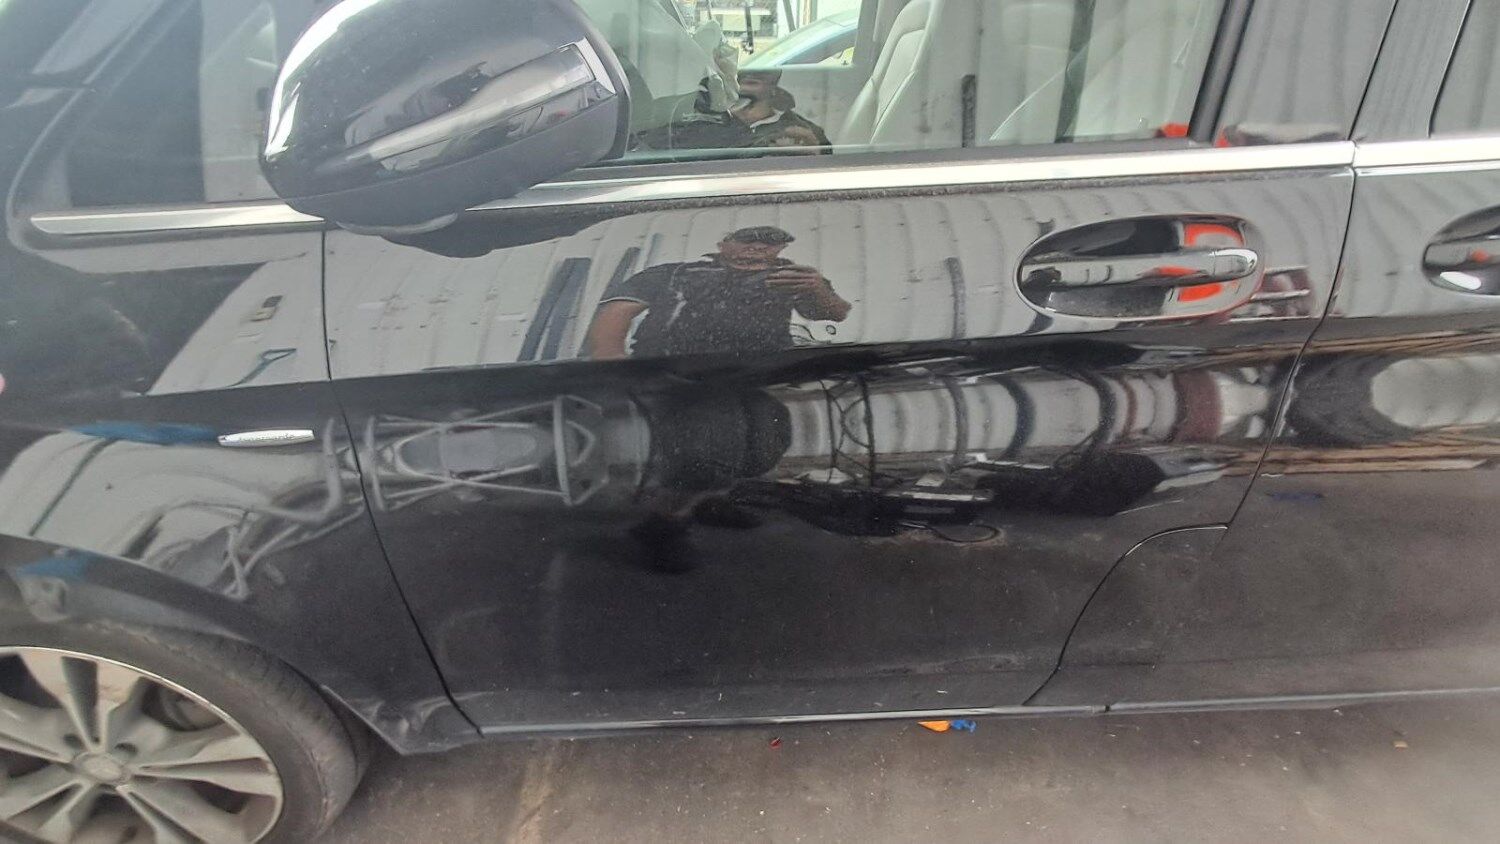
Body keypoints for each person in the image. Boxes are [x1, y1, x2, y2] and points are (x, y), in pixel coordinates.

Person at [584, 226, 851, 359]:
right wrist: (613, 364)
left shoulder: (796, 277)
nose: (757, 246)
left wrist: (818, 289)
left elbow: (835, 315)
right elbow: (617, 312)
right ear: (723, 245)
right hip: (667, 373)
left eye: (769, 243)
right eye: (747, 239)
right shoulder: (673, 273)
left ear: (780, 249)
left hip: (761, 375)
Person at [634, 70, 833, 154]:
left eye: (755, 80)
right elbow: (648, 149)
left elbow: (822, 163)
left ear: (774, 87)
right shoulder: (692, 115)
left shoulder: (802, 131)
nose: (749, 77)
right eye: (739, 77)